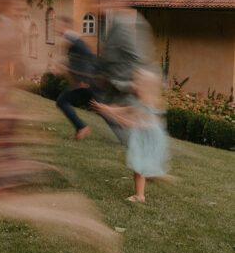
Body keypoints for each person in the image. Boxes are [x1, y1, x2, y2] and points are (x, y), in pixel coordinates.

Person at [92, 68, 169, 202]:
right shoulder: (145, 102)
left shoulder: (146, 106)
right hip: (147, 136)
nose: (133, 85)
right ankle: (148, 175)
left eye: (137, 82)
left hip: (147, 138)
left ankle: (139, 195)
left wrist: (113, 115)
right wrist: (109, 109)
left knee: (138, 166)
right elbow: (129, 110)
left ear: (145, 87)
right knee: (140, 165)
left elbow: (133, 123)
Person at [54, 16, 99, 140]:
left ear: (65, 26)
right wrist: (62, 66)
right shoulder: (72, 38)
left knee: (62, 101)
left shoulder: (73, 39)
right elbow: (76, 59)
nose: (56, 27)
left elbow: (88, 56)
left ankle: (82, 127)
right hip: (86, 80)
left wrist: (83, 80)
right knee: (101, 108)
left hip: (85, 81)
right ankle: (81, 128)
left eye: (58, 25)